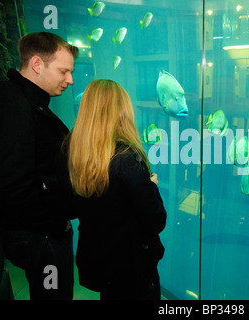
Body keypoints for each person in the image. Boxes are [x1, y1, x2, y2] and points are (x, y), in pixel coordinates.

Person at [0, 32, 78, 300]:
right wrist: (55, 225)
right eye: (63, 71)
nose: (70, 79)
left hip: (40, 235)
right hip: (41, 238)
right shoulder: (13, 104)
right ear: (37, 64)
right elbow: (10, 184)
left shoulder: (23, 101)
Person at [61, 79, 167, 300]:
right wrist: (151, 186)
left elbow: (71, 208)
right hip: (133, 267)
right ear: (121, 112)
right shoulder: (126, 158)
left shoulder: (71, 151)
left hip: (101, 261)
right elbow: (156, 220)